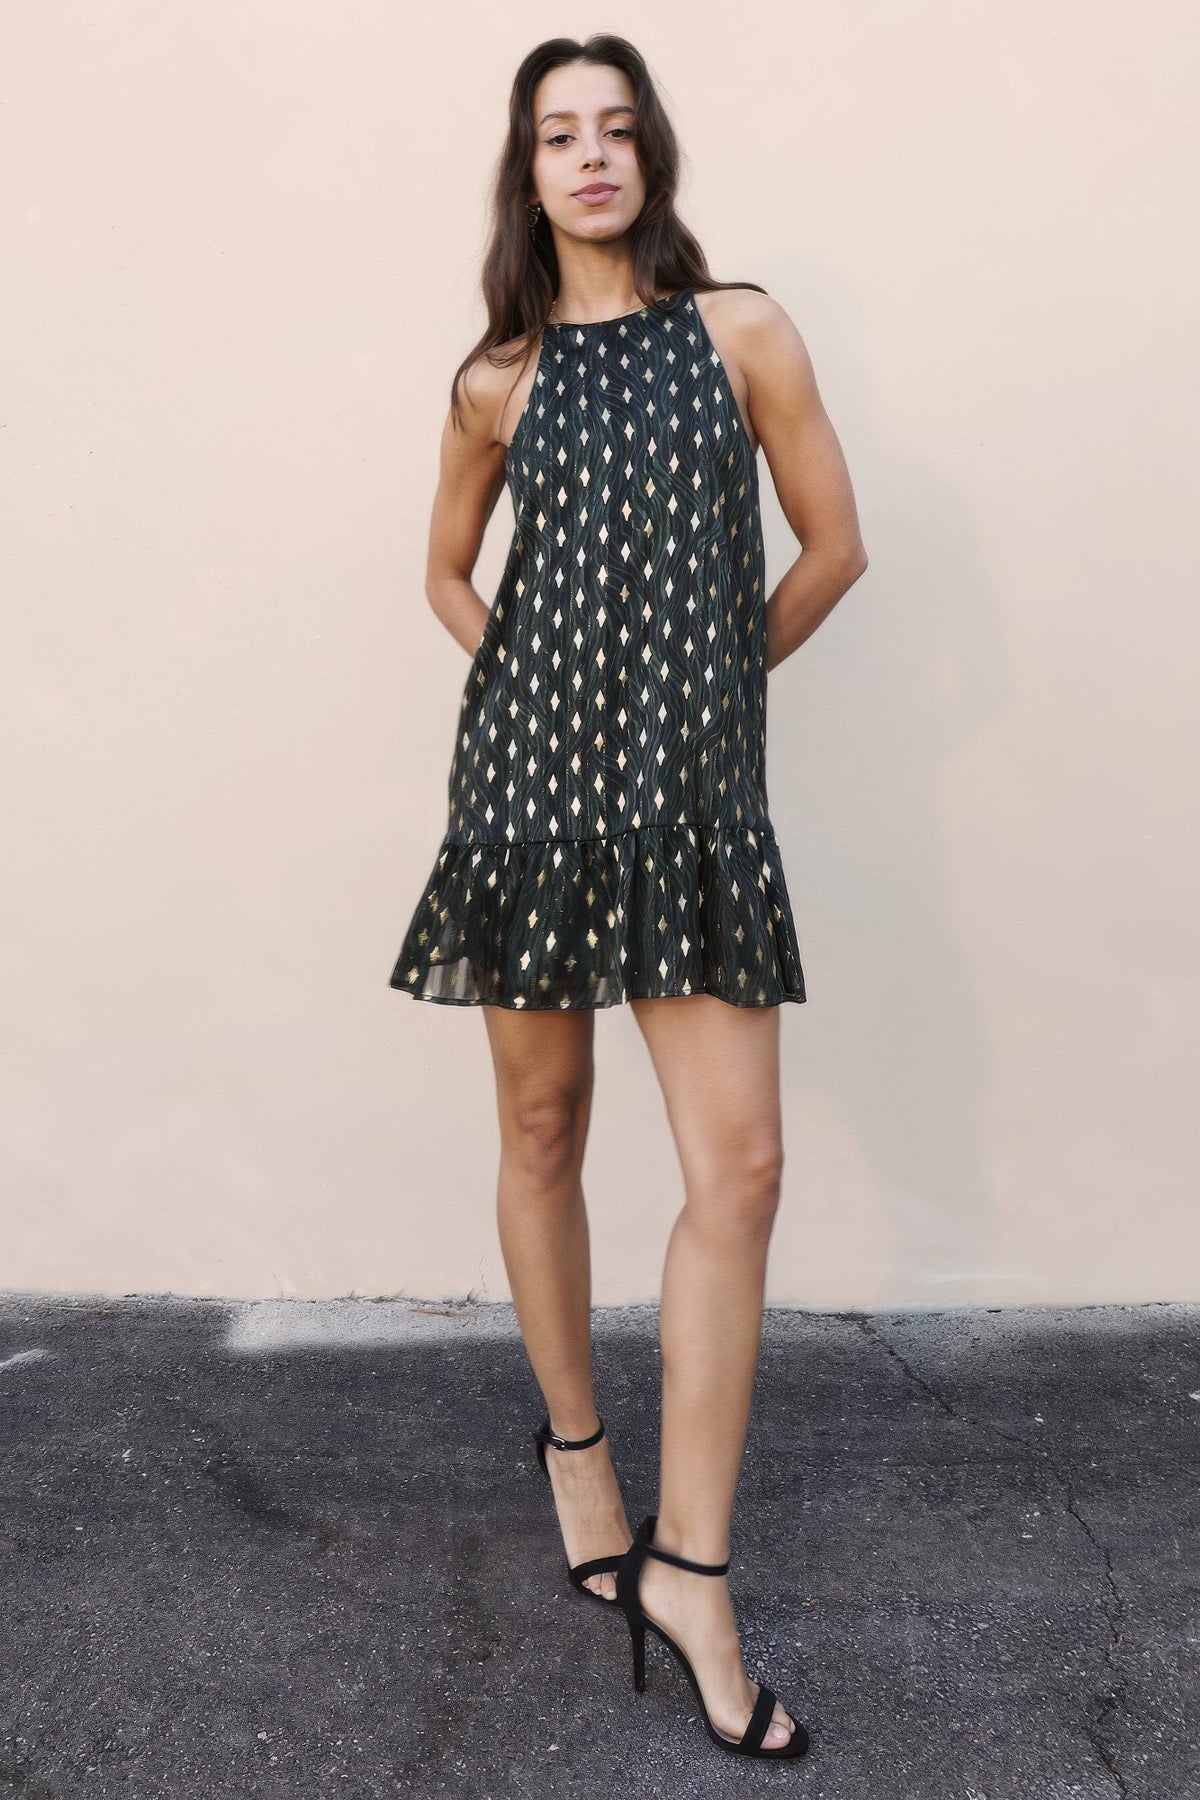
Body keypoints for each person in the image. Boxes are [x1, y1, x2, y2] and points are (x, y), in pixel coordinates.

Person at [389, 33, 867, 1762]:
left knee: (742, 1168)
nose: (589, 156)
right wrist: (532, 690)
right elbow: (447, 572)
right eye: (557, 135)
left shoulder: (740, 332)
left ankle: (694, 1571)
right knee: (545, 1128)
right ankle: (580, 1456)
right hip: (530, 804)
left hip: (690, 807)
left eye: (613, 129)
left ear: (650, 153)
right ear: (527, 175)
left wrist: (709, 692)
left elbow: (833, 545)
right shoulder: (496, 379)